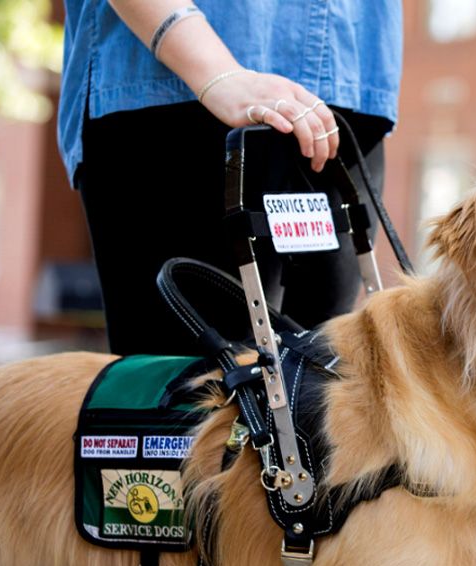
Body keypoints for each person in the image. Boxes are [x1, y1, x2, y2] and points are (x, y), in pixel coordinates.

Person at [58, 0, 403, 356]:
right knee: (189, 393)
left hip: (349, 91)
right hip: (172, 87)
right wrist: (217, 73)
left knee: (322, 393)